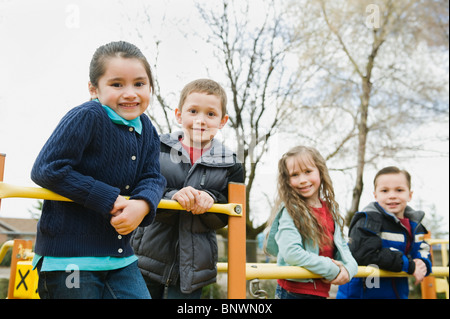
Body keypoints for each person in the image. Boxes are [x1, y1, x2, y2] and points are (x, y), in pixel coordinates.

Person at [30, 41, 166, 299]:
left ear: (150, 87)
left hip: (120, 260)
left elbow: (153, 176)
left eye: (139, 84)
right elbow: (47, 168)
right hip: (70, 260)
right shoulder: (88, 116)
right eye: (117, 84)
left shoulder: (146, 127)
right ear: (94, 89)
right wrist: (109, 198)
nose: (130, 93)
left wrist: (143, 204)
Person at [132, 79, 244, 299]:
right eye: (193, 111)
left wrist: (210, 200)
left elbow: (228, 214)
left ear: (222, 121)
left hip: (195, 265)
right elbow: (139, 187)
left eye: (211, 114)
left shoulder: (231, 164)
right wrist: (173, 197)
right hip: (145, 256)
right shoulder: (155, 147)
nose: (201, 120)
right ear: (179, 115)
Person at [265, 145, 358, 299]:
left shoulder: (331, 210)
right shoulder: (290, 210)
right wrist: (332, 269)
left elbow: (344, 250)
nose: (303, 180)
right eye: (295, 175)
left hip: (320, 293)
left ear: (320, 171)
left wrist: (348, 270)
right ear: (287, 181)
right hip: (292, 292)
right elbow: (292, 253)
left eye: (308, 172)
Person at [337, 166, 432, 299]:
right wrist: (408, 265)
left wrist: (422, 263)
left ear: (410, 195)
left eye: (399, 190)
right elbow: (364, 254)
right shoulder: (368, 219)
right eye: (384, 191)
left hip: (397, 293)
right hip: (364, 291)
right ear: (375, 195)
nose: (392, 195)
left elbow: (423, 248)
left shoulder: (416, 226)